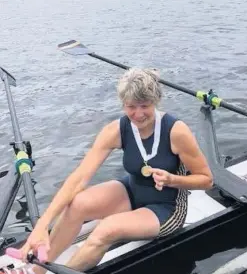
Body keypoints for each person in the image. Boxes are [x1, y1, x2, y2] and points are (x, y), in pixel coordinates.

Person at [3, 68, 213, 274]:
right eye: (131, 106)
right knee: (78, 203)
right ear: (123, 104)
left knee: (106, 229)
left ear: (155, 102)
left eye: (144, 105)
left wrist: (173, 179)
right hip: (132, 192)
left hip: (167, 208)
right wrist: (43, 224)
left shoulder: (176, 131)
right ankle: (35, 269)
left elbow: (206, 180)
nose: (138, 114)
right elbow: (79, 177)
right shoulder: (116, 130)